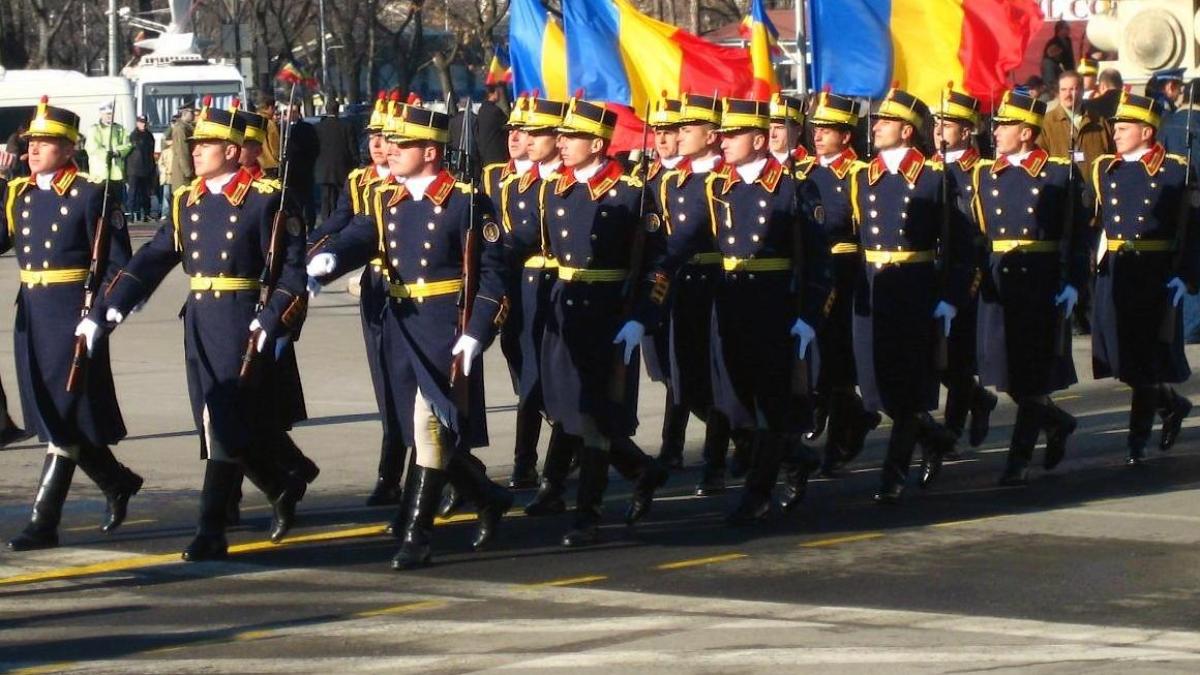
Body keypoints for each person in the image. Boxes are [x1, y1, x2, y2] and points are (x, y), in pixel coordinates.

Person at [100, 98, 310, 561]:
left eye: (209, 144)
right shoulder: (187, 200)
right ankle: (282, 484)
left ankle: (210, 529)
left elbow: (292, 272)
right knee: (217, 419)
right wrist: (114, 305)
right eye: (195, 143)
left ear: (234, 151)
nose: (196, 151)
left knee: (224, 423)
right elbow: (152, 258)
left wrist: (271, 318)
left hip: (240, 317)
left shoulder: (264, 199)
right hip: (199, 318)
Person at [307, 100, 514, 569]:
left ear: (431, 151)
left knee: (429, 425)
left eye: (403, 144)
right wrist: (329, 261)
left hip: (444, 325)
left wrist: (478, 331)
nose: (391, 150)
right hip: (399, 326)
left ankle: (417, 534)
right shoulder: (387, 198)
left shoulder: (465, 202)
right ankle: (487, 497)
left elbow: (493, 275)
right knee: (417, 429)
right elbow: (360, 234)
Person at [508, 96, 669, 546]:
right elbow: (523, 241)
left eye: (571, 137)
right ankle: (642, 470)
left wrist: (643, 317)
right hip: (563, 309)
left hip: (607, 313)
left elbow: (658, 264)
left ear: (598, 144)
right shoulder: (553, 189)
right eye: (559, 136)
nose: (561, 143)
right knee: (565, 408)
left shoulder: (631, 194)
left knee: (592, 416)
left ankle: (589, 513)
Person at [2, 97, 141, 551]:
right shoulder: (19, 194)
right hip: (34, 315)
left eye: (43, 143)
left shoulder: (90, 194)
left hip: (71, 315)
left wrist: (100, 316)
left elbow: (118, 265)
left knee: (62, 415)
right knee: (52, 412)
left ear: (67, 147)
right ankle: (116, 480)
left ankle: (43, 521)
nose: (32, 151)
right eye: (30, 144)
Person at [850, 88, 972, 504]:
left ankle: (893, 474)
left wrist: (950, 296)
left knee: (906, 390)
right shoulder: (863, 177)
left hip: (914, 290)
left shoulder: (935, 178)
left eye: (884, 121)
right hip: (873, 290)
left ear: (906, 131)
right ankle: (935, 436)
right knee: (875, 389)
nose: (876, 127)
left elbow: (961, 246)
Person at [973, 90, 1087, 485]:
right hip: (1002, 279)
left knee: (1032, 376)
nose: (997, 132)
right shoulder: (985, 174)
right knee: (1006, 374)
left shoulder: (1057, 173)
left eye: (1005, 126)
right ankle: (1057, 422)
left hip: (1041, 282)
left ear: (1026, 132)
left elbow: (1076, 235)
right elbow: (980, 234)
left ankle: (1017, 461)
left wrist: (1074, 282)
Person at [306, 91, 412, 507]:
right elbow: (339, 225)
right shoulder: (360, 180)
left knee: (413, 386)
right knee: (385, 381)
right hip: (375, 288)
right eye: (373, 136)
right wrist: (309, 253)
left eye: (386, 136)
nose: (378, 144)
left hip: (412, 289)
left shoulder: (410, 185)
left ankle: (431, 471)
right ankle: (390, 474)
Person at [1091, 93, 1197, 466]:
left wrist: (1186, 276)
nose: (1115, 134)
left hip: (1154, 272)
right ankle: (1173, 404)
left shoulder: (1175, 170)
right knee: (1119, 358)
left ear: (1147, 132)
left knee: (1145, 361)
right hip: (1116, 271)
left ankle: (1136, 442)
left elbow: (1193, 230)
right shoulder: (1106, 168)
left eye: (1123, 128)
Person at [644, 94, 742, 499]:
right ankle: (749, 440)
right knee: (683, 379)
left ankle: (715, 462)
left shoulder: (726, 180)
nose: (679, 136)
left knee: (715, 378)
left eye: (687, 129)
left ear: (712, 135)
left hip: (716, 285)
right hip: (679, 287)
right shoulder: (671, 181)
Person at [799, 91, 880, 485]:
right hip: (814, 276)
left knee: (836, 366)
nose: (818, 135)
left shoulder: (858, 174)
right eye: (816, 128)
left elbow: (867, 231)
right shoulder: (806, 174)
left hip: (846, 275)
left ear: (846, 136)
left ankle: (837, 445)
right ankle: (858, 419)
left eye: (827, 130)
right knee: (820, 367)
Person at [929, 88, 997, 467]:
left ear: (968, 131)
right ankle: (978, 399)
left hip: (968, 272)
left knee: (955, 360)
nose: (940, 130)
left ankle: (952, 430)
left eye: (948, 124)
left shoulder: (980, 172)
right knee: (934, 359)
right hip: (933, 271)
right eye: (937, 123)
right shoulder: (928, 167)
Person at [480, 95, 543, 488]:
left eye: (526, 132)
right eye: (512, 132)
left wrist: (496, 246)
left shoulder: (549, 180)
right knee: (519, 366)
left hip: (536, 283)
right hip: (504, 286)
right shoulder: (492, 176)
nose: (516, 139)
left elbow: (532, 230)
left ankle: (526, 460)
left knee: (536, 377)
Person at [641, 96, 687, 469]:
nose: (661, 139)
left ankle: (673, 445)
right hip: (654, 280)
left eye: (669, 132)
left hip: (688, 280)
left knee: (680, 367)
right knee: (658, 363)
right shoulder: (646, 177)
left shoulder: (698, 177)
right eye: (657, 131)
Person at [314, 100, 360, 220]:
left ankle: (325, 225)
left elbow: (314, 147)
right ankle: (339, 223)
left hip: (323, 169)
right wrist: (356, 164)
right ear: (338, 109)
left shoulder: (318, 127)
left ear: (326, 109)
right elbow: (352, 148)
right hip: (342, 168)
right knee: (341, 200)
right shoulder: (346, 126)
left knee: (325, 200)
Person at [84, 101, 133, 204]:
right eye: (107, 114)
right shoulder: (94, 129)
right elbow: (93, 148)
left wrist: (118, 152)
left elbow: (128, 145)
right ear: (101, 114)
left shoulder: (119, 129)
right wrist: (107, 153)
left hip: (116, 174)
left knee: (116, 204)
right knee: (101, 204)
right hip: (100, 175)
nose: (109, 117)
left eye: (111, 114)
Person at [284, 102, 319, 227]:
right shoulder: (282, 128)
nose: (290, 115)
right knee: (294, 204)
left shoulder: (307, 128)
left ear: (298, 113)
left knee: (308, 202)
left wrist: (308, 162)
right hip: (289, 174)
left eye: (293, 112)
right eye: (288, 112)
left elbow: (315, 148)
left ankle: (310, 226)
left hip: (304, 171)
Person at [768, 93, 809, 172]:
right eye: (769, 128)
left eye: (779, 128)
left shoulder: (810, 166)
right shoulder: (757, 164)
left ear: (799, 130)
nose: (772, 134)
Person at [126, 115, 156, 221]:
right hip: (134, 169)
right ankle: (131, 213)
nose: (143, 124)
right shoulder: (133, 136)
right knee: (133, 193)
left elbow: (151, 153)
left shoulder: (149, 136)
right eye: (141, 122)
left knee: (145, 193)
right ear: (137, 123)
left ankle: (146, 214)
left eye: (144, 122)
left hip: (146, 169)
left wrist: (152, 167)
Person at [475, 84, 511, 167]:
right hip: (498, 155)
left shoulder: (481, 110)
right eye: (497, 92)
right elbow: (508, 126)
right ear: (492, 94)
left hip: (485, 156)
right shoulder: (495, 111)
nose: (499, 95)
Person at [169, 98, 197, 192]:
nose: (194, 114)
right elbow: (182, 151)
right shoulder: (180, 128)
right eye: (192, 112)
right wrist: (188, 172)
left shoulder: (188, 127)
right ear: (185, 113)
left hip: (189, 169)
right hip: (183, 172)